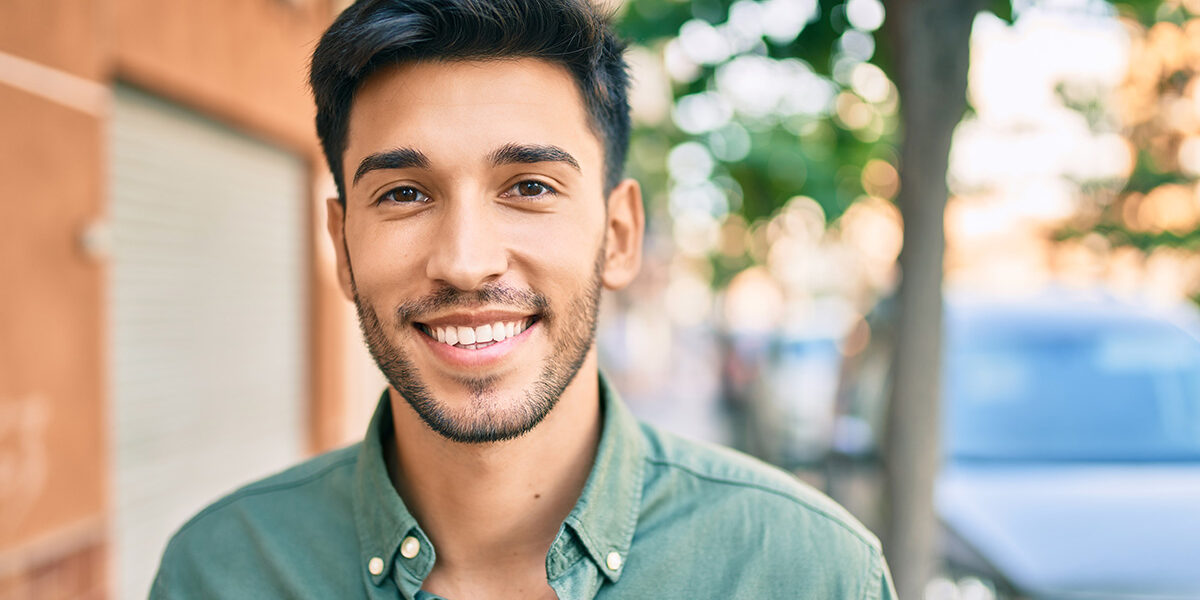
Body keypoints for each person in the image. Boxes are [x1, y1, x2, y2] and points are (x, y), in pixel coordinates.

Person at [151, 1, 896, 598]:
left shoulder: (808, 572)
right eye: (405, 194)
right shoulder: (220, 572)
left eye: (530, 187)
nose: (467, 263)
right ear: (341, 243)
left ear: (620, 233)